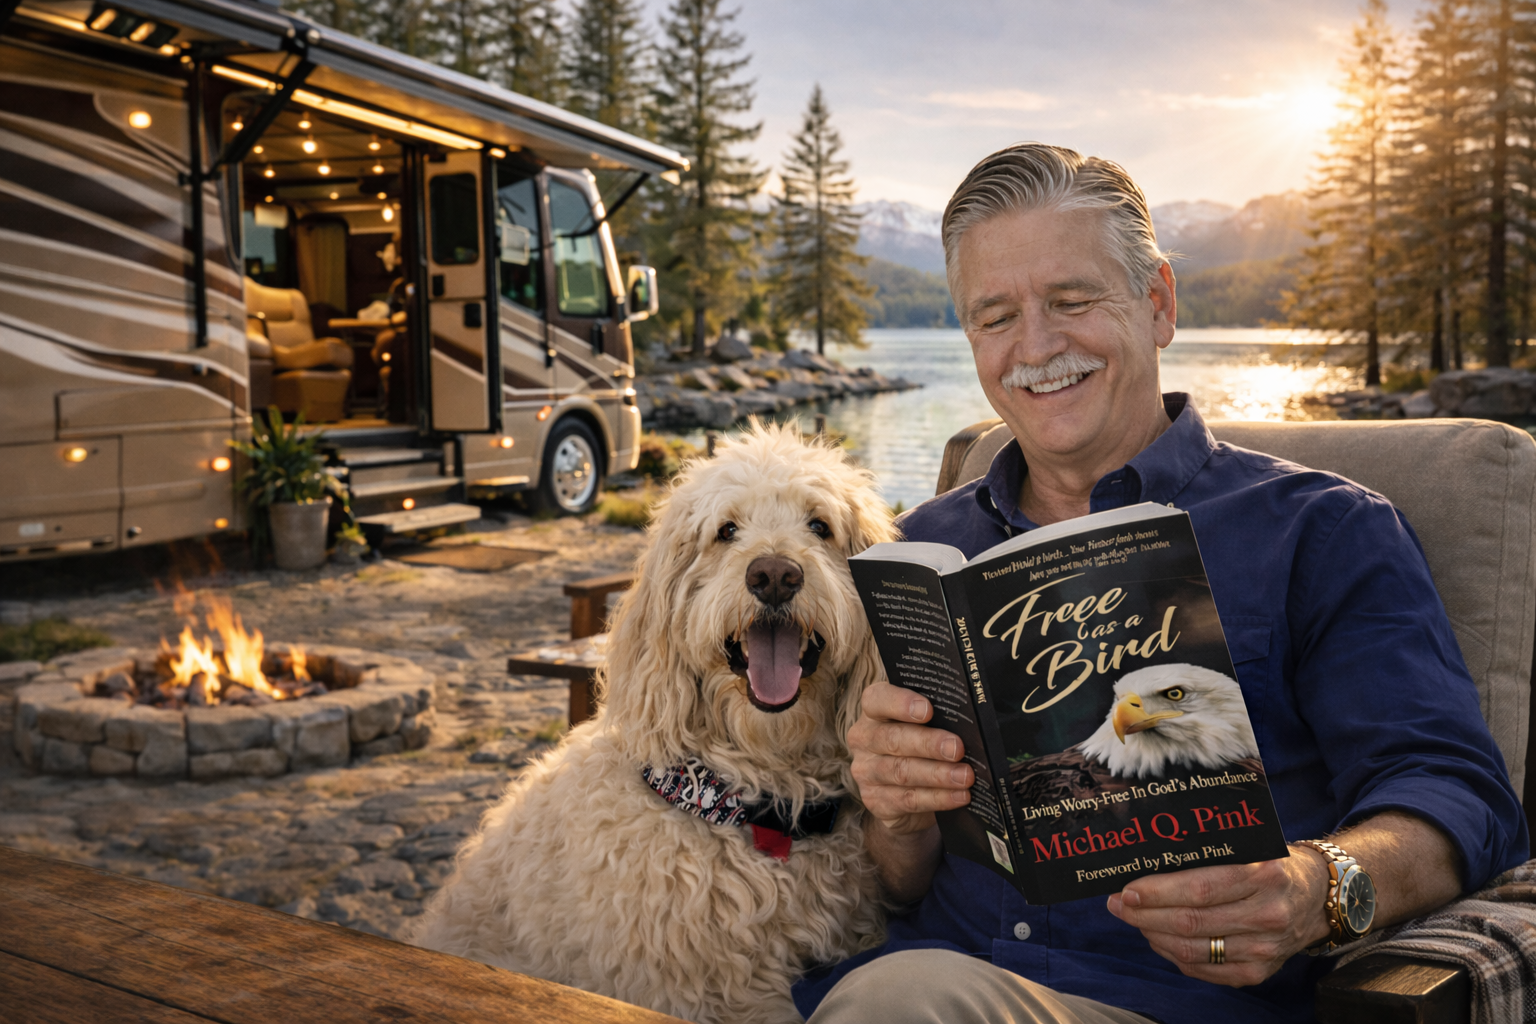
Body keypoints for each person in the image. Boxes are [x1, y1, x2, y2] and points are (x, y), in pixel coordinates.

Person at [794, 143, 1529, 1024]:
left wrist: (1317, 885)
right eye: (995, 317)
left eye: (1072, 301)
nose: (1035, 347)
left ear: (1159, 303)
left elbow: (1458, 796)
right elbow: (896, 880)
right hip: (920, 975)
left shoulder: (1321, 531)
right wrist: (900, 817)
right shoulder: (921, 549)